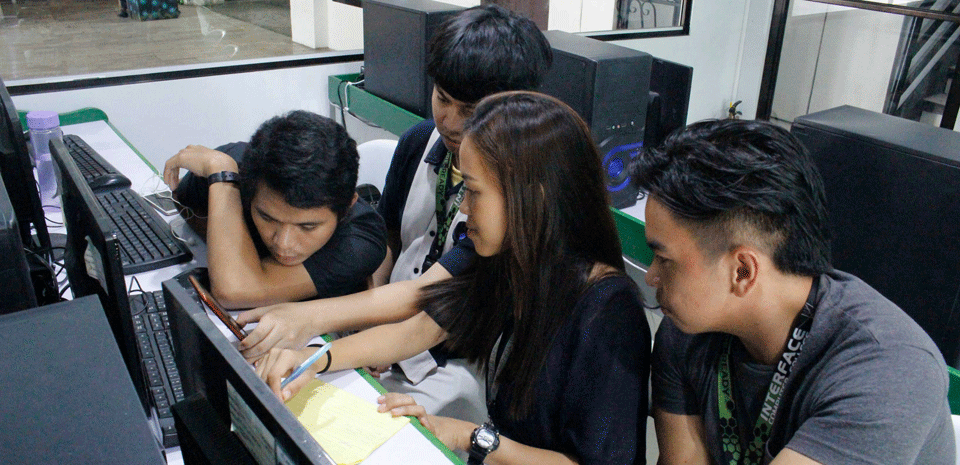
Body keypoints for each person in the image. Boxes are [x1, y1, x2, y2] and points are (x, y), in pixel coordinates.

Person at [255, 91, 649, 465]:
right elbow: (417, 331)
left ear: (534, 197)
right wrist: (312, 360)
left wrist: (468, 435)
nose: (464, 207)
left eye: (474, 191)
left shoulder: (608, 312)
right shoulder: (506, 259)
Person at [235, 5, 553, 424]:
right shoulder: (419, 140)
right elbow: (387, 240)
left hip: (453, 363)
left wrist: (311, 319)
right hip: (384, 333)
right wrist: (366, 321)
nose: (449, 121)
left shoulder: (512, 198)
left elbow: (425, 301)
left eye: (469, 110)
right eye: (442, 98)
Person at [632, 119, 955, 464]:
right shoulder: (685, 334)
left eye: (664, 259)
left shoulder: (888, 372)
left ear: (742, 271)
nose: (651, 276)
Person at [163, 110, 386, 309]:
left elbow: (234, 291)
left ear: (347, 208)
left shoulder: (361, 239)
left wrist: (221, 177)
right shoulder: (236, 168)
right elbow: (186, 203)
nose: (284, 243)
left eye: (308, 227)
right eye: (266, 217)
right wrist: (226, 190)